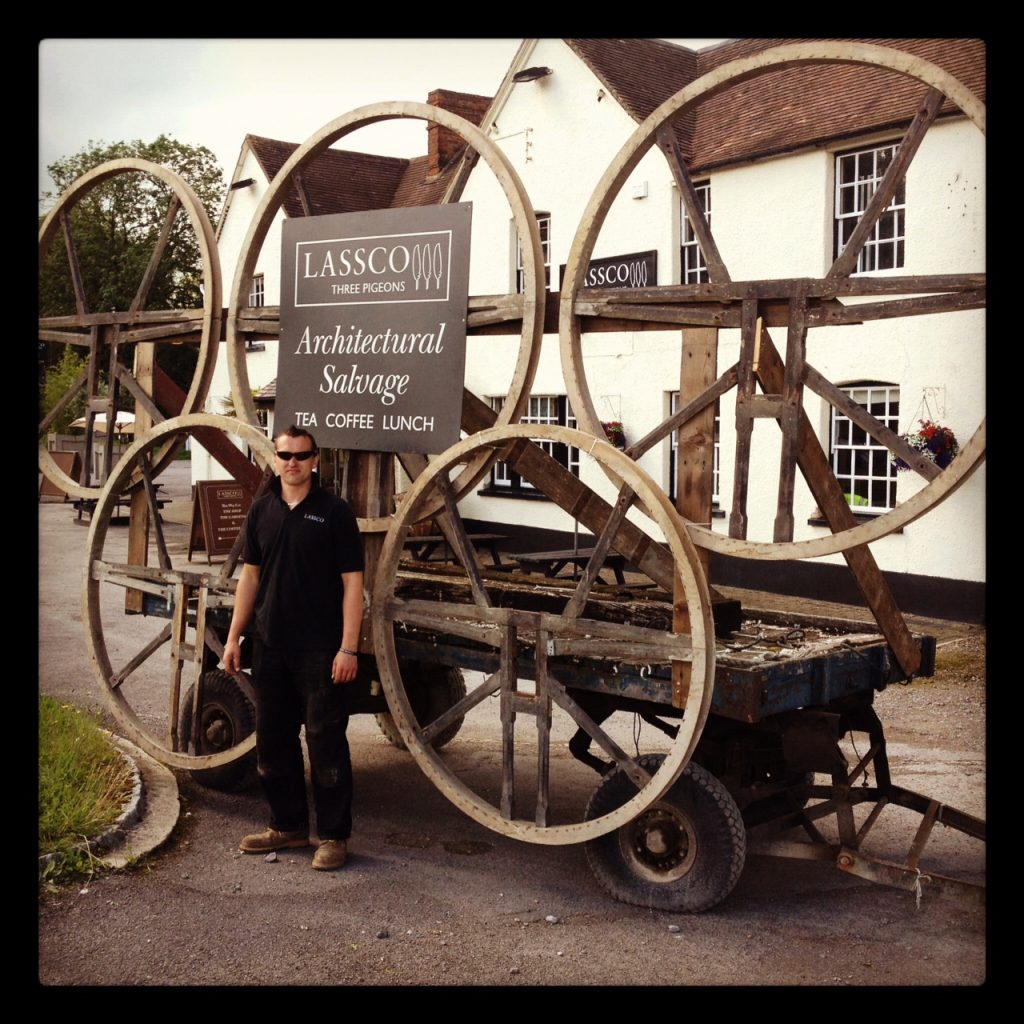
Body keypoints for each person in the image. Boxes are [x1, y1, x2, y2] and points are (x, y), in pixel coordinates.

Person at [224, 425, 364, 871]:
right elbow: (250, 577)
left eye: (301, 456)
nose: (292, 463)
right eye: (285, 455)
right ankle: (287, 826)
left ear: (315, 460)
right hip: (270, 646)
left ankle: (334, 837)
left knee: (326, 743)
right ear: (275, 458)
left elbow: (353, 584)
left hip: (320, 649)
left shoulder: (335, 512)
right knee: (273, 741)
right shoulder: (262, 510)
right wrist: (233, 637)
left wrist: (348, 648)